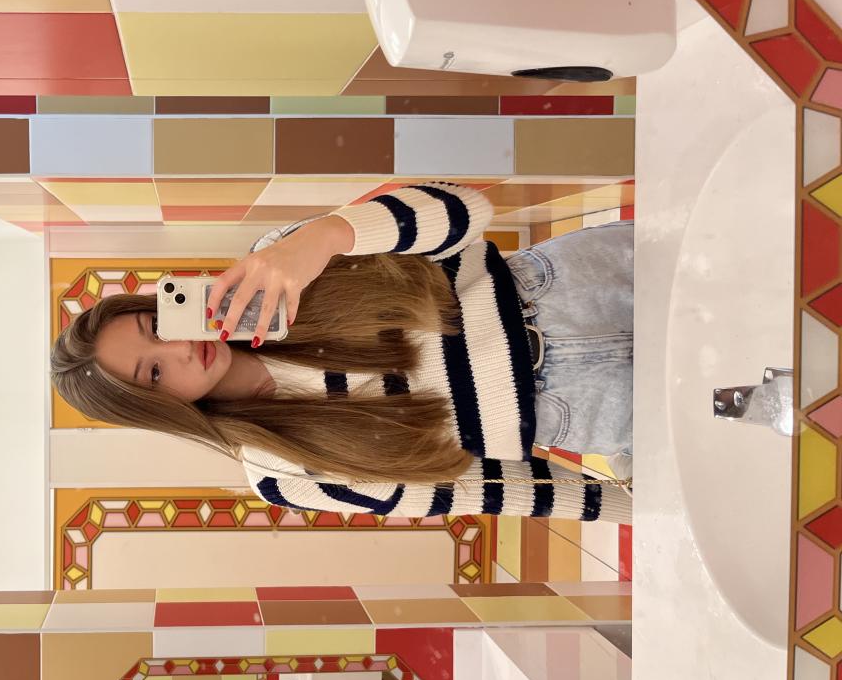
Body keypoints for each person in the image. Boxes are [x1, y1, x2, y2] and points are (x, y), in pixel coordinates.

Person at [52, 182, 633, 523]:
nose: (182, 347)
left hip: (575, 282)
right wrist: (640, 509)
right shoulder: (283, 472)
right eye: (154, 373)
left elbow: (468, 209)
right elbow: (481, 490)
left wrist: (326, 237)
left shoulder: (275, 261)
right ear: (161, 409)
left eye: (157, 326)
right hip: (590, 408)